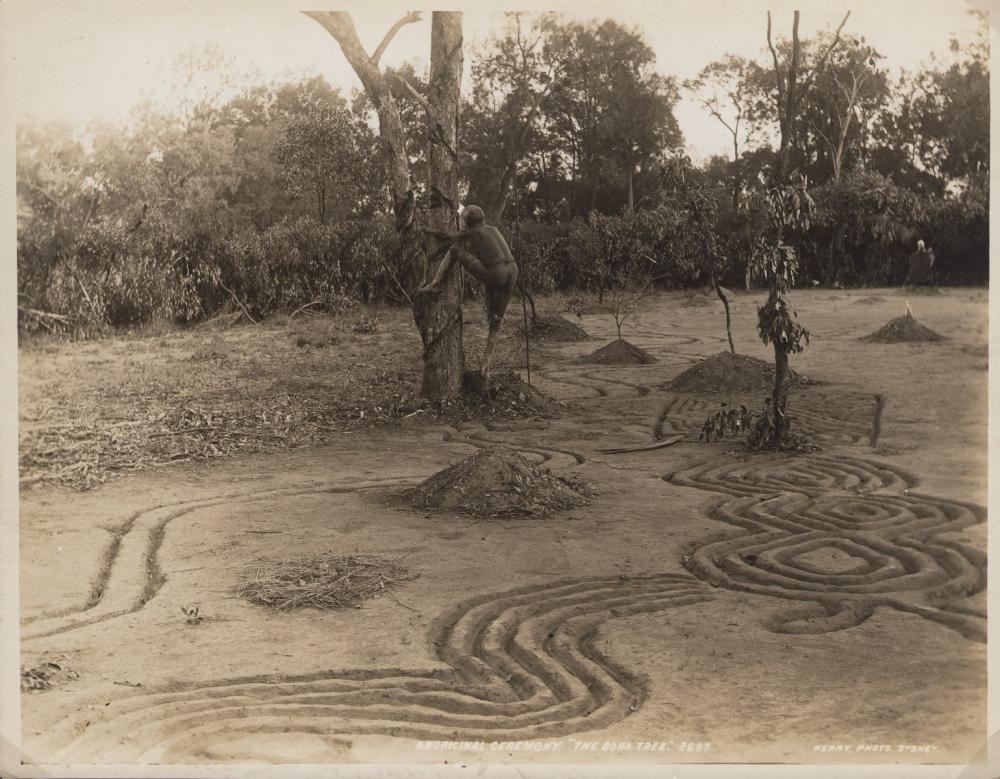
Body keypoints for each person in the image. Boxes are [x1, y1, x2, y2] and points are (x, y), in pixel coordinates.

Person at [419, 205, 520, 385]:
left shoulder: (472, 232)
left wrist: (427, 229)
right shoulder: (493, 229)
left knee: (454, 251)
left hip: (496, 272)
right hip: (512, 270)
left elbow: (447, 236)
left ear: (468, 222)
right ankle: (485, 367)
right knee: (496, 321)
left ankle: (436, 284)